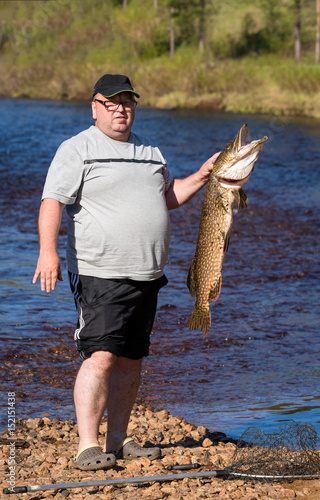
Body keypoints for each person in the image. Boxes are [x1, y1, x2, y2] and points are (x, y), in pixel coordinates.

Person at [33, 73, 219, 471]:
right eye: (112, 103)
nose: (121, 110)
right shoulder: (77, 148)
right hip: (100, 271)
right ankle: (87, 445)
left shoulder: (150, 150)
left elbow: (166, 198)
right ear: (95, 107)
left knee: (131, 359)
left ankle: (118, 439)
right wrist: (47, 252)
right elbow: (52, 201)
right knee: (100, 355)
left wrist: (202, 176)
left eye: (127, 103)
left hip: (148, 274)